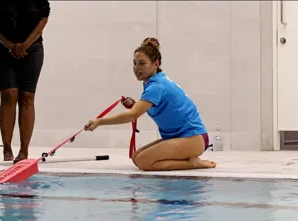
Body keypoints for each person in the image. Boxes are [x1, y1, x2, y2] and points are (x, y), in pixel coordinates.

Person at [84, 37, 216, 171]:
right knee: (137, 157)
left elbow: (132, 115)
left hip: (193, 138)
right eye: (135, 63)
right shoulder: (153, 82)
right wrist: (136, 104)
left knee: (144, 162)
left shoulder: (156, 86)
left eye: (142, 63)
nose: (136, 68)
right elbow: (152, 107)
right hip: (181, 138)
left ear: (156, 64)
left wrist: (99, 122)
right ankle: (188, 157)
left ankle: (193, 163)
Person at [0, 0, 51, 162]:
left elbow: (44, 17)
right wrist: (8, 45)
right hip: (4, 48)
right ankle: (7, 147)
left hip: (33, 48)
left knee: (27, 97)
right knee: (9, 95)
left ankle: (24, 150)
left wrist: (25, 45)